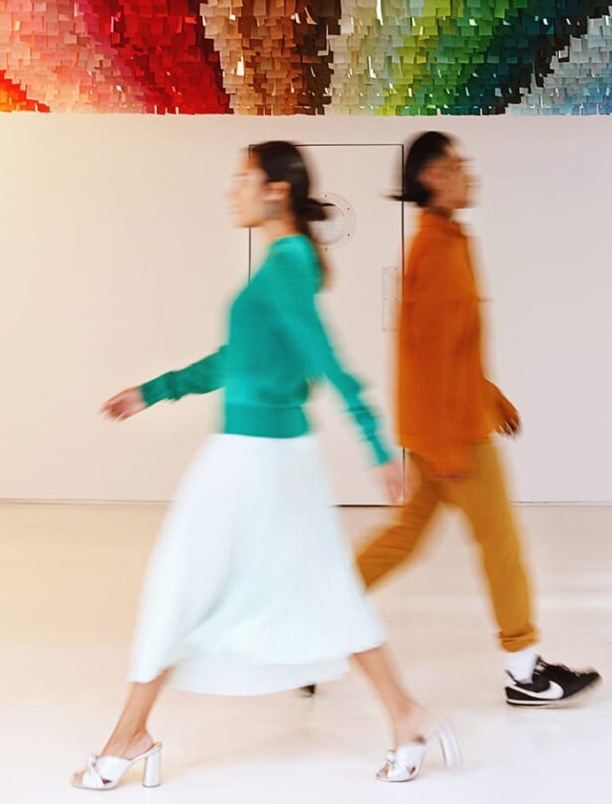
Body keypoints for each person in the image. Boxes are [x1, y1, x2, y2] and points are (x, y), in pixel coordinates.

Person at [71, 141, 458, 790]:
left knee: (182, 581)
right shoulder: (283, 265)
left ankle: (128, 736)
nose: (233, 191)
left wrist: (375, 444)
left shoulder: (286, 265)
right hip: (263, 455)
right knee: (315, 587)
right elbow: (234, 360)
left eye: (242, 179)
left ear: (277, 188)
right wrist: (155, 390)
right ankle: (407, 716)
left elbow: (326, 356)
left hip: (258, 459)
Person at [354, 132, 601, 707]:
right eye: (459, 166)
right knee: (502, 545)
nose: (471, 174)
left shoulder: (450, 240)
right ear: (434, 177)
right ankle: (526, 673)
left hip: (450, 427)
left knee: (404, 539)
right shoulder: (435, 252)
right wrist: (443, 447)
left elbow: (456, 350)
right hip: (453, 438)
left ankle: (313, 617)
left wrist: (493, 397)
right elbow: (427, 358)